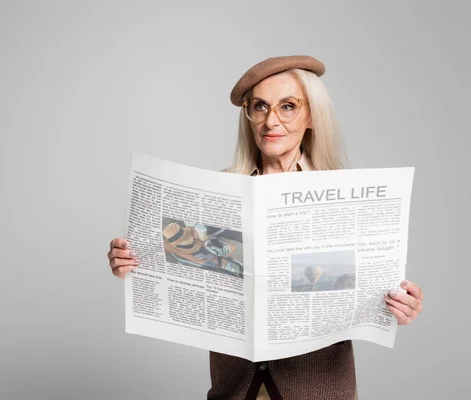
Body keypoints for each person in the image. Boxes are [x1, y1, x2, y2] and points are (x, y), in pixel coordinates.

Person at [107, 55, 424, 400]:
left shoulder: (344, 197)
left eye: (287, 106)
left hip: (318, 390)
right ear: (249, 116)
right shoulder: (217, 192)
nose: (271, 120)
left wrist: (398, 304)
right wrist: (135, 262)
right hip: (235, 390)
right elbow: (184, 271)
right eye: (259, 107)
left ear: (312, 116)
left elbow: (362, 287)